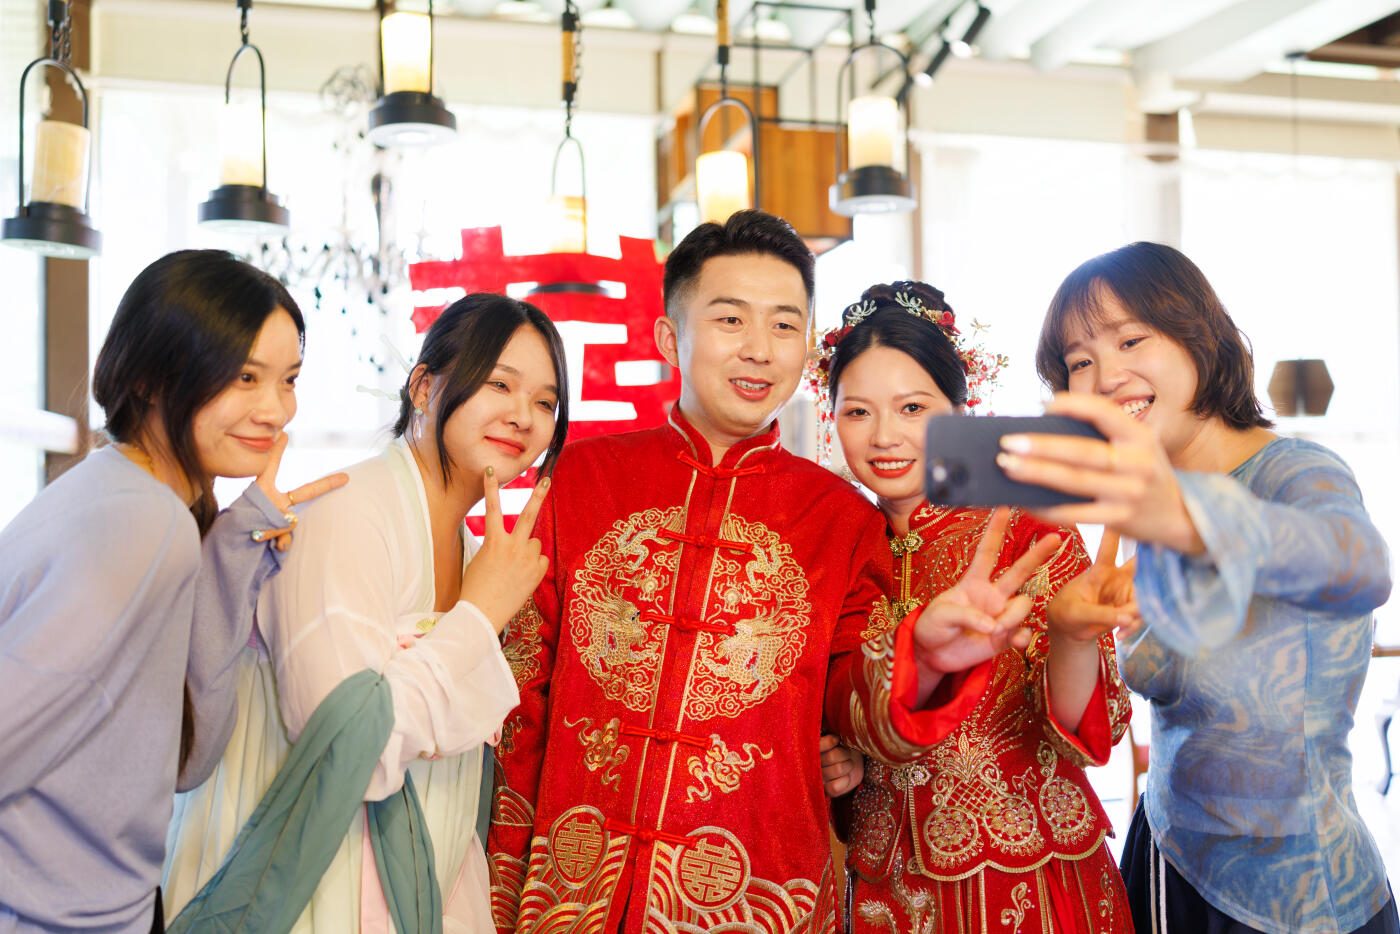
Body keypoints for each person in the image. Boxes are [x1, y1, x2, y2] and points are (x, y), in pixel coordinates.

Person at [486, 211, 1051, 934]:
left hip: (756, 891)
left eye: (785, 326)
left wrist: (926, 655)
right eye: (730, 319)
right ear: (670, 338)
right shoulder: (582, 482)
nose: (759, 350)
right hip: (572, 888)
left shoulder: (841, 518)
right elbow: (520, 699)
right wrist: (503, 889)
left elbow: (853, 701)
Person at [997, 240, 1397, 934]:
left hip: (1295, 895)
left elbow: (1360, 567)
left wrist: (1185, 518)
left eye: (1130, 339)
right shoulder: (1147, 499)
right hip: (1164, 859)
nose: (1105, 374)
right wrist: (1066, 629)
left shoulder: (1294, 473)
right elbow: (1091, 735)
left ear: (1197, 336)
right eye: (1080, 361)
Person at [161, 292, 567, 932]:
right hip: (304, 893)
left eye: (545, 402)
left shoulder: (475, 550)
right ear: (425, 387)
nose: (522, 415)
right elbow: (348, 749)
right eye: (499, 384)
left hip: (417, 890)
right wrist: (477, 617)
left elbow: (456, 787)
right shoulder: (349, 514)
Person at [0, 249, 344, 933]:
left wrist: (240, 540)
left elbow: (184, 754)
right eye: (245, 376)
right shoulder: (142, 523)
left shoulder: (126, 495)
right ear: (155, 378)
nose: (275, 409)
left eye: (289, 379)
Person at [818, 280, 1134, 933]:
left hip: (1025, 874)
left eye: (912, 408)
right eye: (857, 413)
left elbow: (1087, 732)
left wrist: (1073, 637)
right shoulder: (834, 544)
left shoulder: (1025, 522)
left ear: (960, 410)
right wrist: (835, 758)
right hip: (887, 884)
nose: (885, 437)